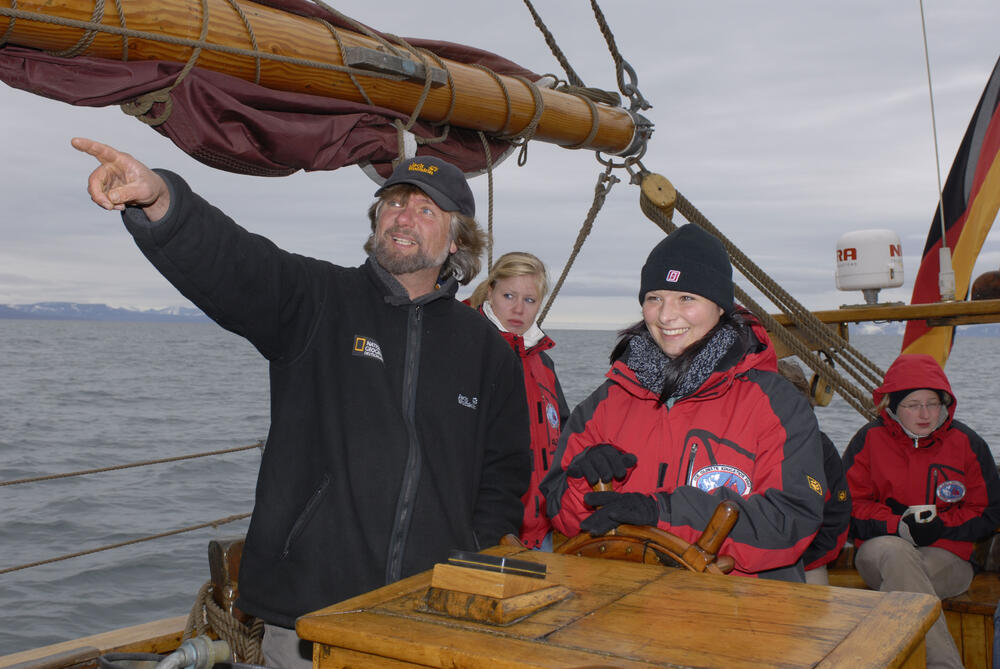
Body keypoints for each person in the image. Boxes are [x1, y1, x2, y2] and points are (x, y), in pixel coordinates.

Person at [72, 138, 531, 668]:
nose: (404, 217)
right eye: (394, 203)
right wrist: (160, 202)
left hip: (428, 616)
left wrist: (471, 553)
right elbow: (237, 263)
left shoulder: (486, 351)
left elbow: (504, 474)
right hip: (309, 615)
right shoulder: (317, 300)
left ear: (456, 241)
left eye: (426, 209)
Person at [539, 224, 826, 581]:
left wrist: (662, 514)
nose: (665, 315)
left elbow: (790, 522)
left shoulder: (775, 404)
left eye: (686, 298)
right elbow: (560, 513)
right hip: (622, 609)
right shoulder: (607, 401)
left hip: (736, 615)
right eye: (654, 297)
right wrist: (582, 481)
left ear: (721, 307)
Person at [843, 353, 1000, 669]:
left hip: (948, 559)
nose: (925, 414)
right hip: (880, 553)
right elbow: (848, 508)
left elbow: (988, 511)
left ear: (945, 403)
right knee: (897, 553)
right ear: (893, 406)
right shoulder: (868, 440)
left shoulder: (967, 443)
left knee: (903, 584)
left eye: (932, 403)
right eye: (913, 405)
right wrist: (898, 525)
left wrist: (941, 526)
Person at [466, 252, 569, 550]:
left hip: (544, 530)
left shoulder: (543, 364)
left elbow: (565, 436)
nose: (517, 309)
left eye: (529, 300)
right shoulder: (468, 351)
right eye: (508, 295)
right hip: (486, 532)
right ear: (491, 292)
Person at [776, 359, 850, 585]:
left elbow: (836, 514)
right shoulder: (734, 448)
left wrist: (806, 557)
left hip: (806, 560)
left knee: (815, 612)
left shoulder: (820, 447)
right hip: (743, 562)